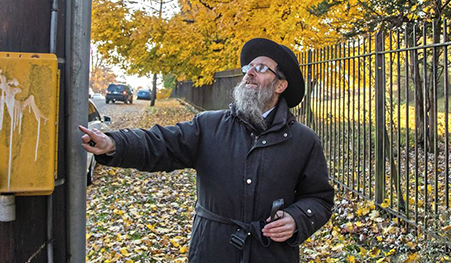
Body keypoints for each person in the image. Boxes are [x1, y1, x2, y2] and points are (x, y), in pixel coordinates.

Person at [80, 38, 334, 262]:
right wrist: (114, 143)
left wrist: (297, 219)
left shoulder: (303, 140)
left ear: (280, 86)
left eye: (261, 68)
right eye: (248, 68)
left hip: (271, 253)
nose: (249, 73)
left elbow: (320, 198)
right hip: (212, 249)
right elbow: (160, 143)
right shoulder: (209, 125)